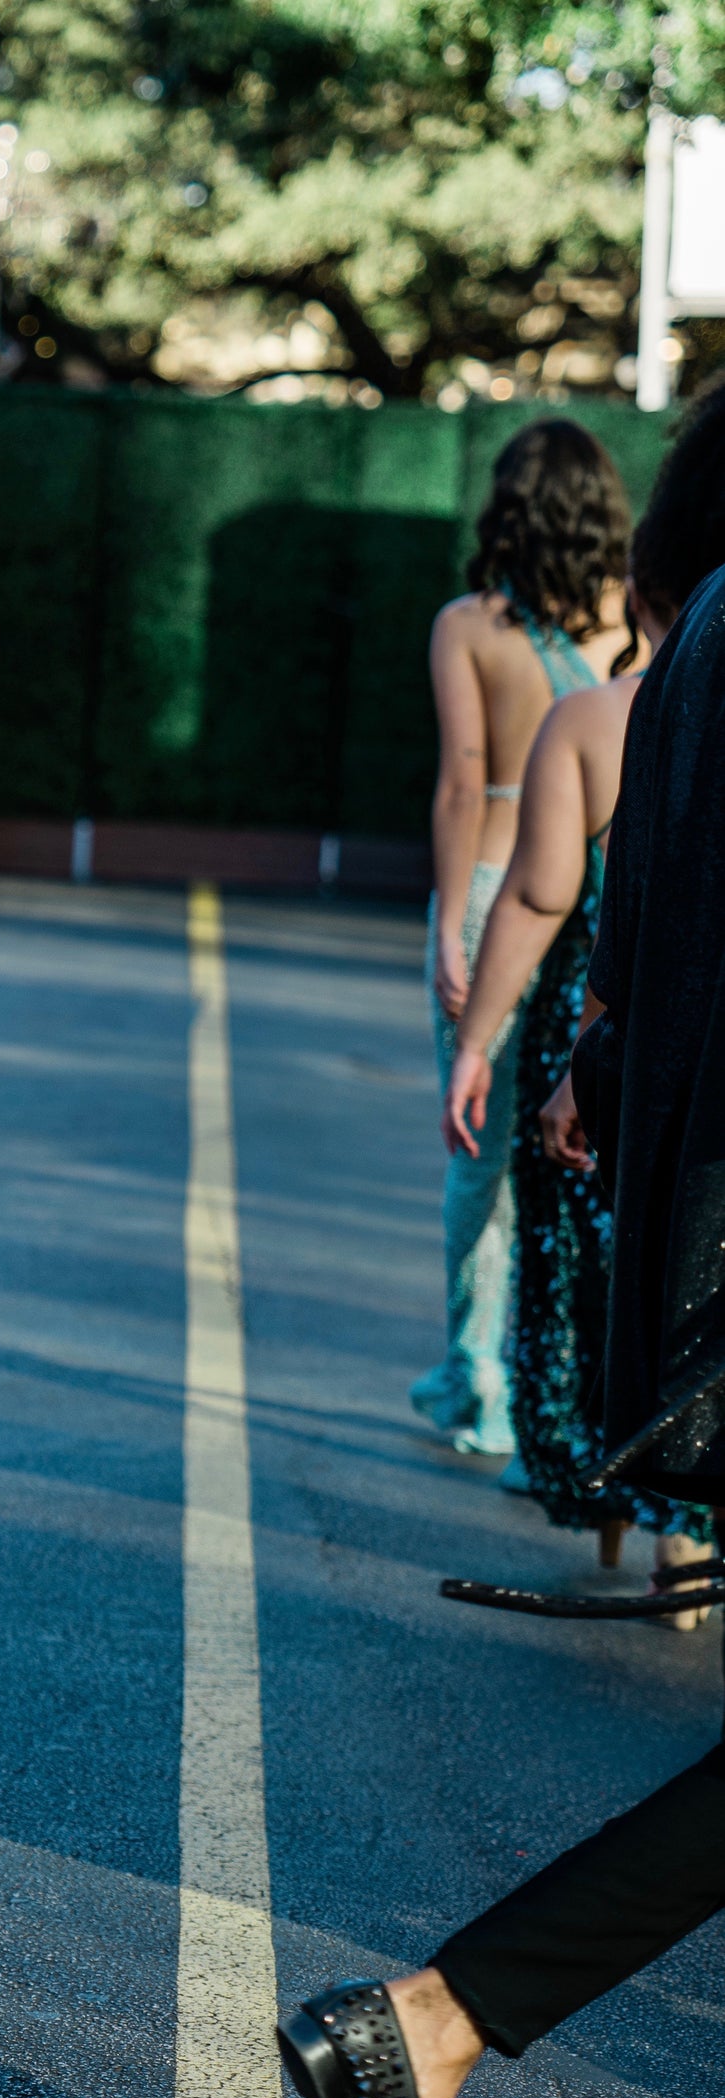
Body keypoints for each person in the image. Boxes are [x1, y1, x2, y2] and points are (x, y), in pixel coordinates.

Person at [278, 538, 725, 2098]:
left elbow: (667, 914)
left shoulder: (696, 648)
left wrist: (599, 1065)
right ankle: (439, 2017)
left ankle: (438, 2023)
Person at [442, 381, 725, 1598]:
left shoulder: (561, 688)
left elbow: (525, 863)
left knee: (532, 1221)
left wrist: (474, 1022)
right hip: (633, 1004)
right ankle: (679, 1532)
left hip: (586, 992)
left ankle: (496, 1403)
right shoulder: (637, 670)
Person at [412, 422, 633, 1458]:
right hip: (598, 900)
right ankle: (563, 1387)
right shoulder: (630, 623)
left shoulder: (468, 624)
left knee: (476, 1146)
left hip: (494, 886)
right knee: (575, 1141)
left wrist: (454, 927)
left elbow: (462, 781)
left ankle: (477, 1379)